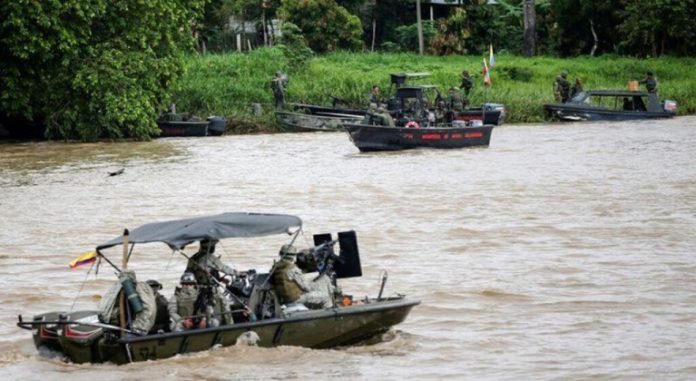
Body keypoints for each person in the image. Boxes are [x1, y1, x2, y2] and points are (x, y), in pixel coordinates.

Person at [271, 244, 334, 310]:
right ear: (293, 256)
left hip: (284, 298)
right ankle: (329, 315)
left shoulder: (276, 267)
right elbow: (306, 287)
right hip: (295, 299)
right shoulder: (292, 268)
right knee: (326, 297)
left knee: (319, 283)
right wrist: (316, 286)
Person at [97, 270, 157, 335]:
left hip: (119, 322)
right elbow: (147, 307)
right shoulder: (124, 288)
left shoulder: (132, 288)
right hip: (119, 322)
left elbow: (146, 308)